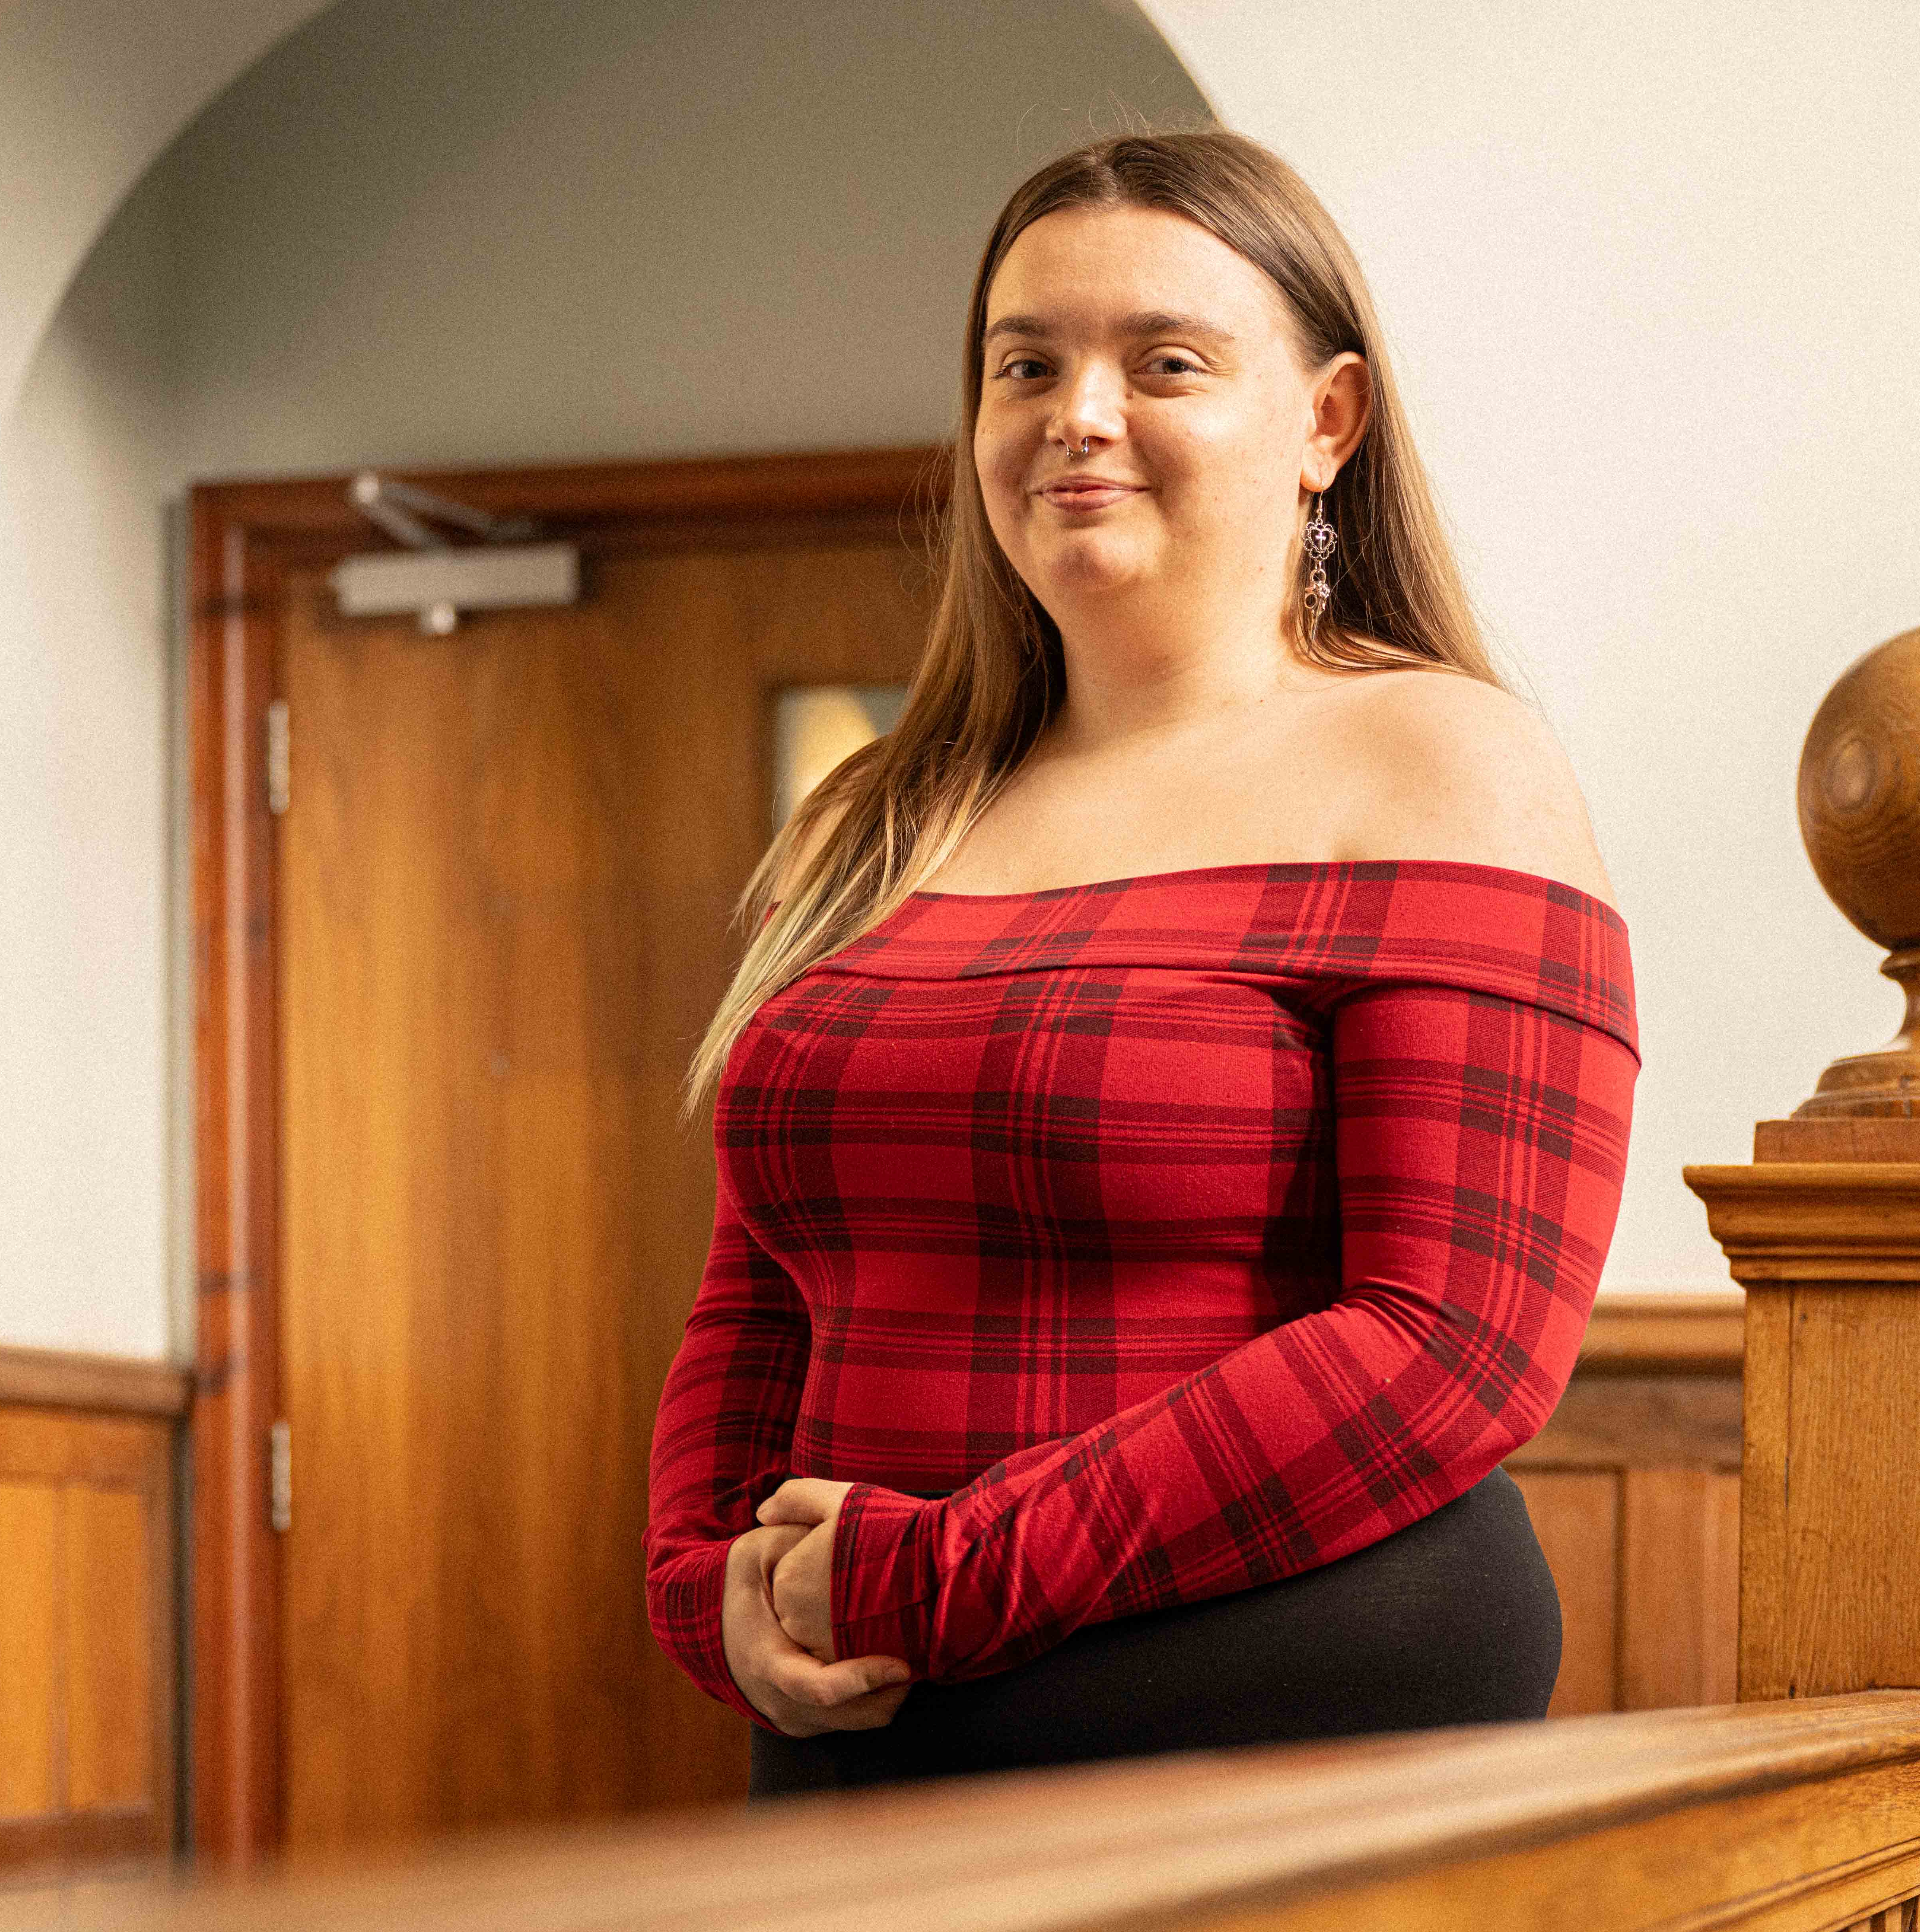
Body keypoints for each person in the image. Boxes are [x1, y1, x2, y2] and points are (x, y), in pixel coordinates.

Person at [642, 130, 1639, 1796]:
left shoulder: (1441, 762)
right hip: (867, 1728)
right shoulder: (863, 821)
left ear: (1324, 421)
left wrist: (941, 1573)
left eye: (1161, 362)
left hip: (1274, 1725)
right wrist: (705, 1584)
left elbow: (1448, 1341)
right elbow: (760, 1277)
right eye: (1022, 363)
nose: (1075, 413)